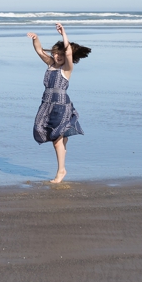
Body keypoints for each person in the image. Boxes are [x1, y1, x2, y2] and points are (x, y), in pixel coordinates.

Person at [27, 22, 90, 183]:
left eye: (61, 54)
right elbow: (38, 50)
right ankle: (63, 142)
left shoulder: (67, 69)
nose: (58, 56)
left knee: (56, 141)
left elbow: (68, 53)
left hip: (61, 106)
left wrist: (63, 34)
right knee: (41, 130)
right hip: (46, 104)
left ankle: (61, 171)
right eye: (56, 53)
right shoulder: (50, 65)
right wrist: (36, 38)